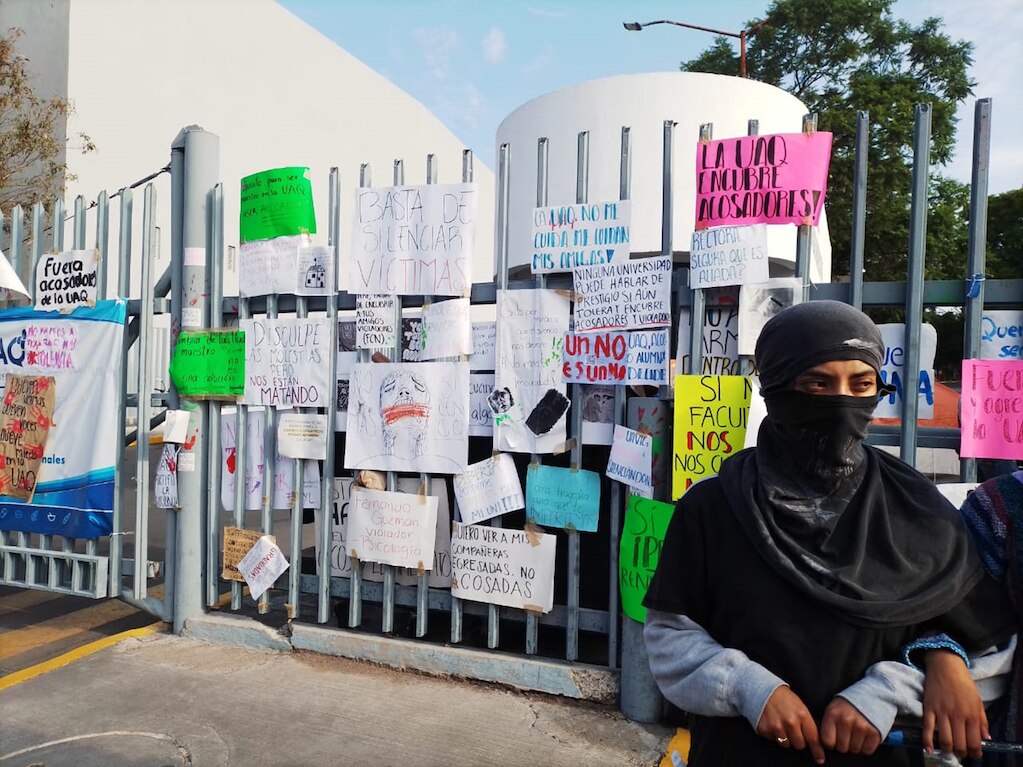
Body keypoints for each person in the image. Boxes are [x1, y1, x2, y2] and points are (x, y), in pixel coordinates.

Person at [644, 300, 1014, 766]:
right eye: (816, 383)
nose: (841, 403)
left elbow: (985, 648)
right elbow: (670, 638)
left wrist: (894, 691)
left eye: (861, 385)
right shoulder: (713, 509)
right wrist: (749, 688)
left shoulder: (920, 510)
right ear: (777, 390)